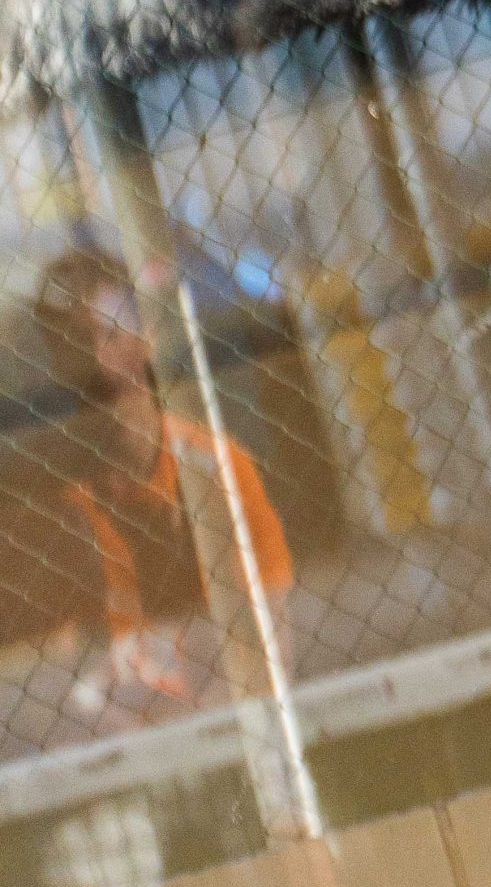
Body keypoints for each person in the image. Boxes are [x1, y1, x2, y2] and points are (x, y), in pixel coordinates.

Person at [34, 243, 295, 734]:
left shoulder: (211, 462)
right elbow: (111, 644)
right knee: (88, 703)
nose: (120, 350)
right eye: (98, 338)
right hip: (148, 682)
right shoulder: (72, 492)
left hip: (222, 671)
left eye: (122, 328)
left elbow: (272, 621)